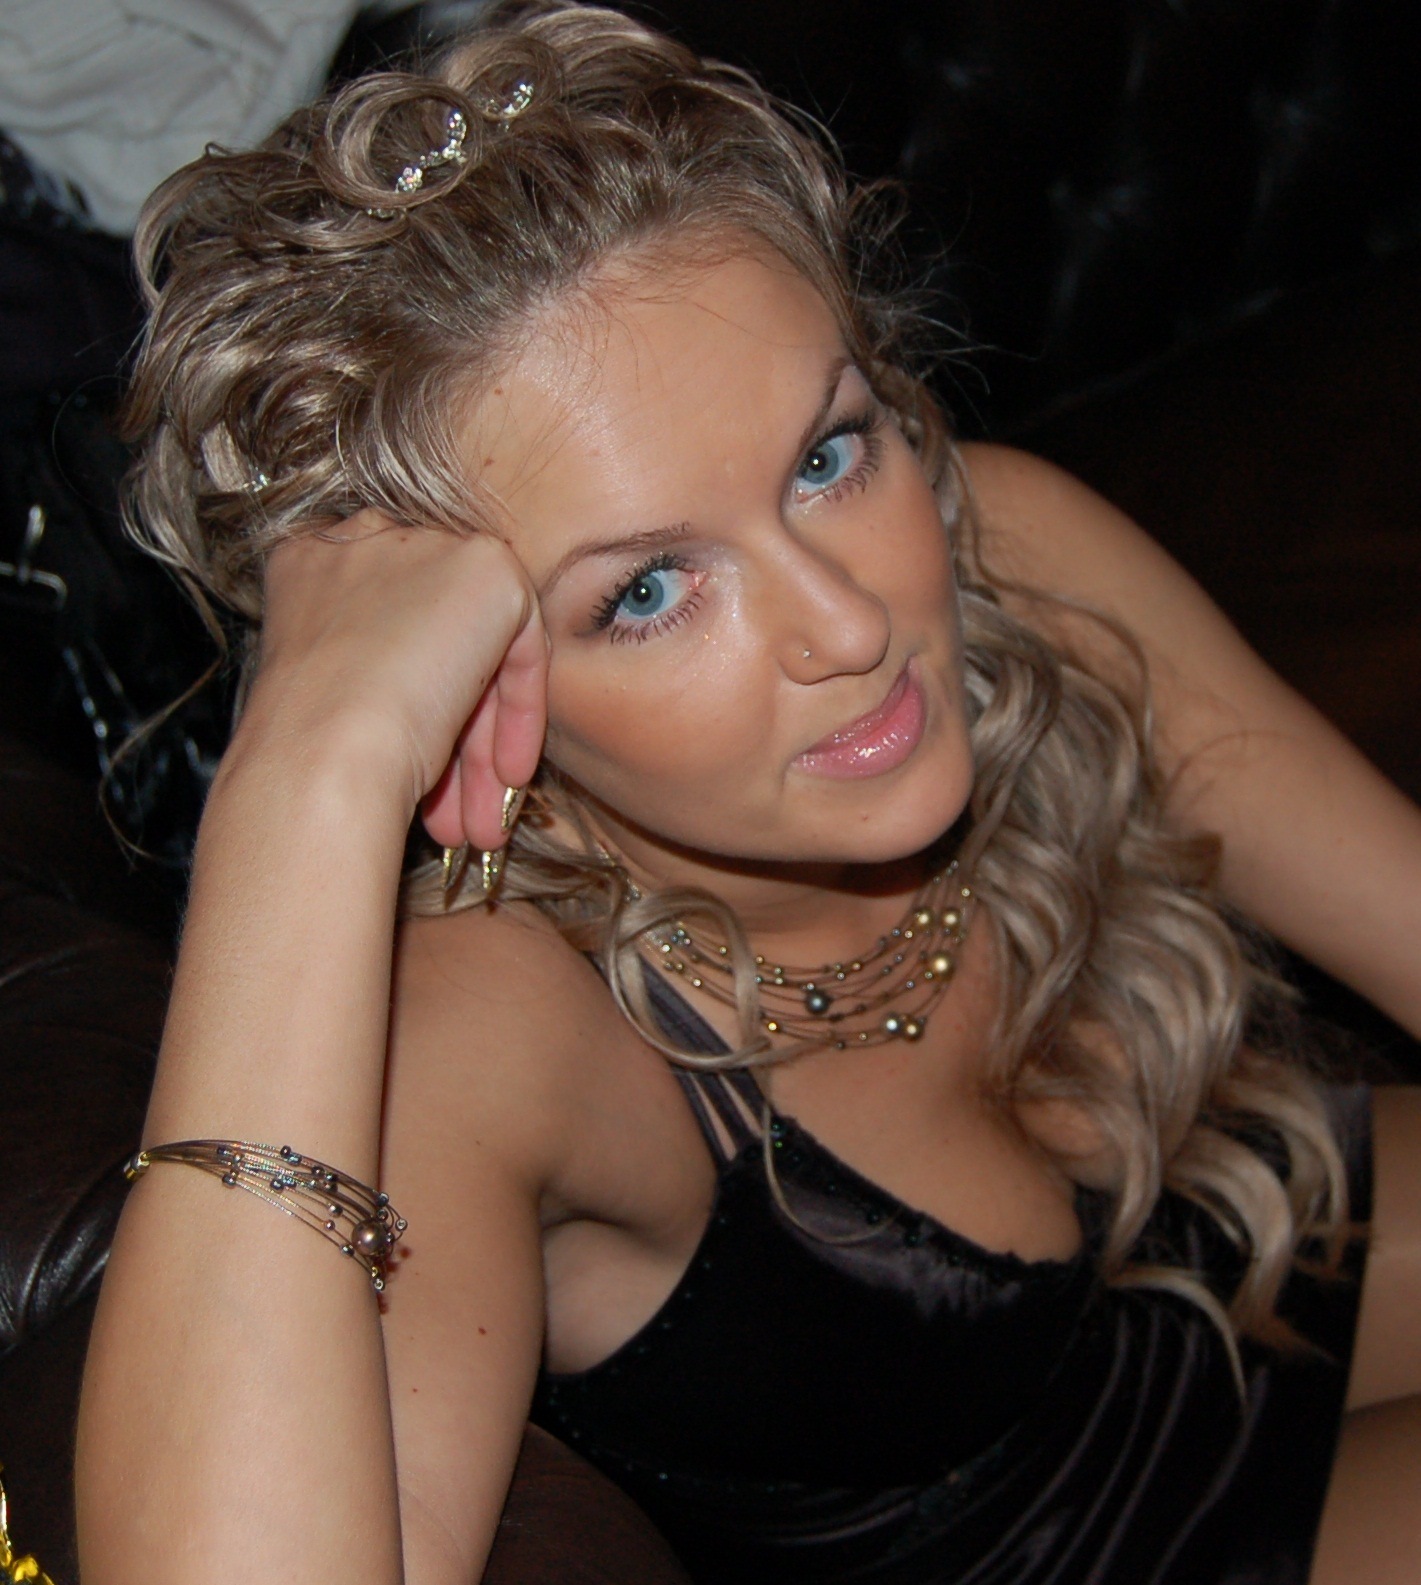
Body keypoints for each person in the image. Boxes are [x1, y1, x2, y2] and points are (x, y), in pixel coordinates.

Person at [74, 3, 1421, 1581]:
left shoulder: (1010, 560)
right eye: (647, 591)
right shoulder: (489, 1029)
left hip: (1217, 1260)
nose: (846, 623)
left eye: (825, 458)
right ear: (475, 687)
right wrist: (305, 772)